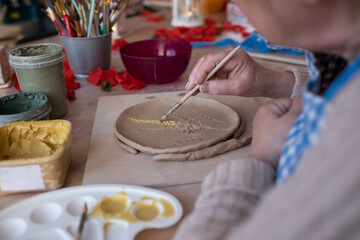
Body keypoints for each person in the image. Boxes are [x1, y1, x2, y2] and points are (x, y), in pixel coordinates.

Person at [174, 0, 360, 239]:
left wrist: (261, 159)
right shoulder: (340, 52)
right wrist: (273, 82)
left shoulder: (351, 135)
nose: (236, 7)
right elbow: (334, 85)